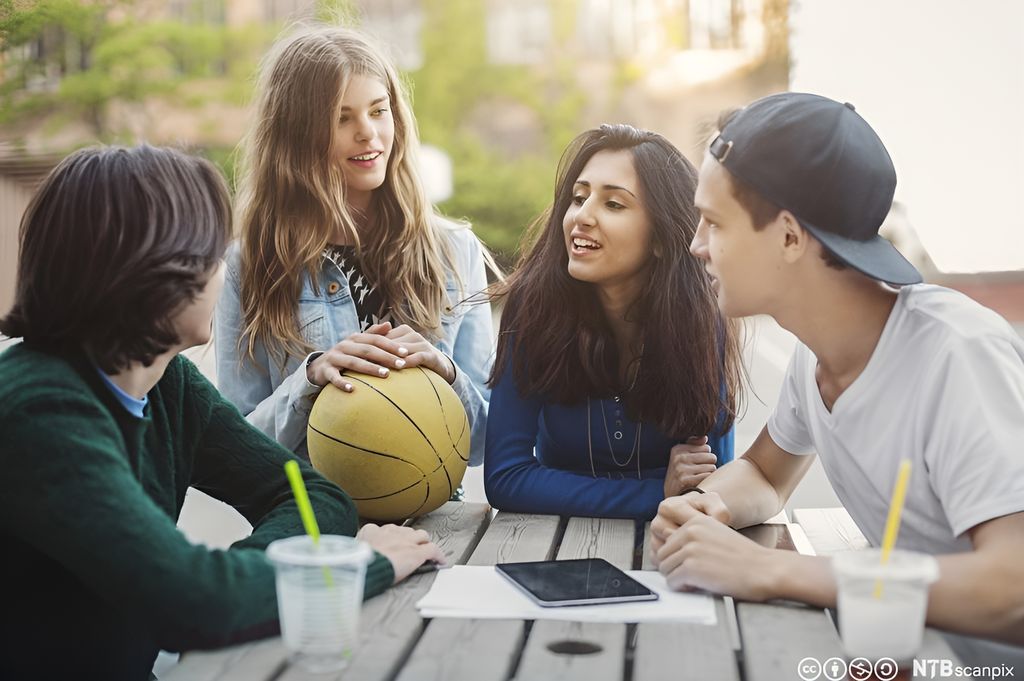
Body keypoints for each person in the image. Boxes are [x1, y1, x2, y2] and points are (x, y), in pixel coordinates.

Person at [0, 145, 446, 680]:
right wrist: (347, 567)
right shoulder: (40, 409)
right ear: (158, 267)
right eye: (211, 252)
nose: (222, 270)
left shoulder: (167, 383)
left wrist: (238, 580)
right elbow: (189, 602)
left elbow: (310, 495)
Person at [650, 93, 1024, 666]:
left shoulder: (959, 354)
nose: (695, 244)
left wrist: (769, 568)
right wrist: (709, 505)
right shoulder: (814, 352)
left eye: (714, 222)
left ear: (790, 238)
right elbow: (766, 475)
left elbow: (1012, 591)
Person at [215, 26, 493, 466]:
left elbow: (487, 446)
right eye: (342, 118)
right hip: (316, 522)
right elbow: (232, 452)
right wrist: (309, 380)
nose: (368, 133)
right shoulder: (252, 264)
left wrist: (446, 375)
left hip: (439, 524)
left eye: (378, 111)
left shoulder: (455, 250)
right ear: (296, 137)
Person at [484, 124, 742, 520]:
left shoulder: (703, 318)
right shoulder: (533, 307)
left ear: (659, 237)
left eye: (613, 204)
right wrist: (657, 492)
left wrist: (679, 493)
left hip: (668, 547)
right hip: (546, 545)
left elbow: (709, 488)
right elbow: (506, 477)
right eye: (578, 197)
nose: (581, 216)